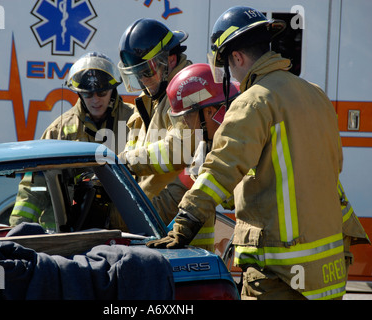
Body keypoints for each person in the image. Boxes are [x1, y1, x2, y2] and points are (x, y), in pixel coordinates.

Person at [147, 6, 353, 300]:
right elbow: (324, 167)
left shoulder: (252, 102)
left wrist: (185, 222)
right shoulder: (315, 94)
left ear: (238, 58)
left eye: (224, 67)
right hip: (328, 270)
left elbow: (221, 169)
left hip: (280, 271)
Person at [9, 52, 134, 231]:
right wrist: (17, 231)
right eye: (88, 94)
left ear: (113, 89)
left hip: (125, 229)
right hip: (70, 230)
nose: (95, 100)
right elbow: (34, 186)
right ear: (79, 93)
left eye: (101, 92)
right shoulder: (58, 130)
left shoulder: (134, 121)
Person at [151, 63, 240, 252]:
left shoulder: (240, 133)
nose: (186, 125)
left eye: (188, 118)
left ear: (208, 112)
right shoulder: (208, 143)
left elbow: (232, 195)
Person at [117, 18, 195, 201]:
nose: (143, 79)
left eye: (147, 71)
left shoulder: (189, 90)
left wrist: (127, 161)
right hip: (151, 215)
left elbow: (180, 148)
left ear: (171, 60)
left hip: (177, 219)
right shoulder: (147, 100)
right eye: (137, 74)